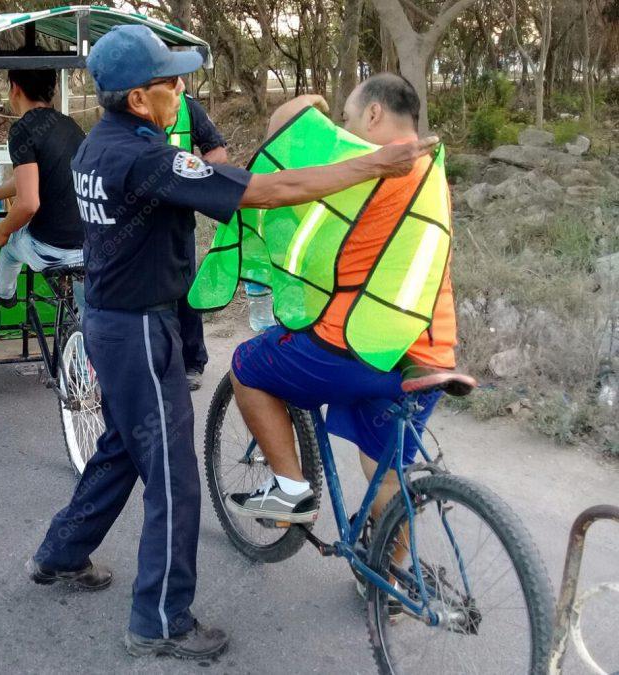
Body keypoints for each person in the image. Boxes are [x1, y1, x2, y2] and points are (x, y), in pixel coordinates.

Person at [24, 27, 437, 660]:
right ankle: (160, 620)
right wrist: (375, 164)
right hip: (136, 327)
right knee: (175, 477)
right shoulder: (148, 157)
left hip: (113, 319)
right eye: (170, 83)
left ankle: (61, 552)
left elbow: (212, 176)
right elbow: (269, 192)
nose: (181, 90)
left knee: (123, 448)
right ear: (139, 98)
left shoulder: (98, 147)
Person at [226, 74, 457, 532]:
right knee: (385, 476)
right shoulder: (432, 171)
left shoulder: (364, 166)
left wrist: (308, 101)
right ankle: (390, 586)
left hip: (354, 345)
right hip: (428, 352)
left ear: (374, 115)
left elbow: (282, 134)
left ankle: (290, 491)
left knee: (245, 365)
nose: (344, 129)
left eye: (348, 118)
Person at [0, 68, 86, 308]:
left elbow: (28, 203)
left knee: (11, 247)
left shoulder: (22, 130)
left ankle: (4, 296)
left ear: (15, 88)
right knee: (84, 321)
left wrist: (2, 229)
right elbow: (28, 180)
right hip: (86, 245)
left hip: (49, 247)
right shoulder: (69, 125)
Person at [166, 91, 228, 390]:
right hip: (138, 216)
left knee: (185, 287)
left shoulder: (188, 106)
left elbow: (217, 153)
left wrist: (189, 177)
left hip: (178, 218)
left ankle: (192, 361)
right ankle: (161, 359)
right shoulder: (131, 102)